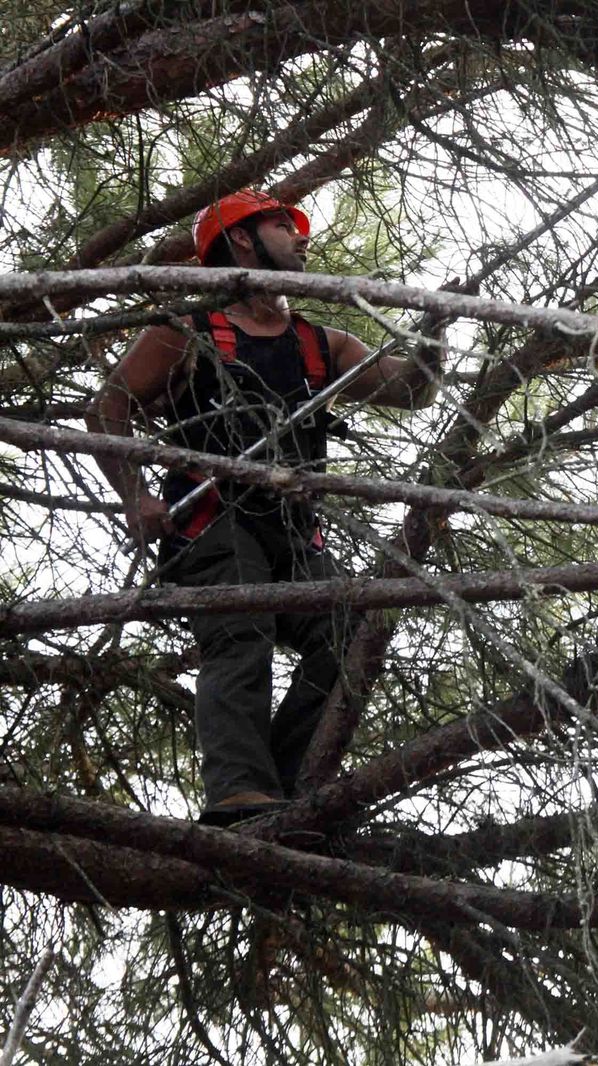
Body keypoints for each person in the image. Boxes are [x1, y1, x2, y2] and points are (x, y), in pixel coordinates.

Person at [86, 190, 441, 825]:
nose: (301, 238)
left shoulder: (320, 345)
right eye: (284, 225)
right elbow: (108, 407)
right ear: (243, 240)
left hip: (295, 533)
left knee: (350, 634)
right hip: (213, 519)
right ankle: (238, 795)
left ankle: (281, 786)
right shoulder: (189, 330)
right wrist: (135, 496)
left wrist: (432, 337)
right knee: (239, 635)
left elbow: (408, 391)